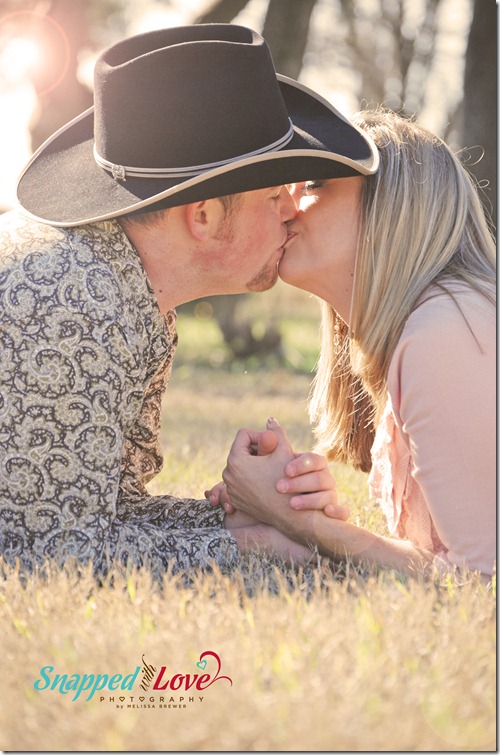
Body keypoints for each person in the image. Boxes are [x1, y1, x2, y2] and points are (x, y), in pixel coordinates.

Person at [0, 24, 380, 578]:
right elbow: (50, 559)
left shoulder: (129, 287)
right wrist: (259, 551)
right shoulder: (74, 302)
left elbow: (109, 511)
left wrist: (251, 518)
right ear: (202, 215)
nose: (291, 211)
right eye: (273, 194)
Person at [214, 109, 496, 581]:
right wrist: (301, 520)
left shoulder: (446, 333)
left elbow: (482, 583)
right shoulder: (436, 325)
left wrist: (300, 524)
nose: (286, 206)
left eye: (314, 185)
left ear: (393, 206)